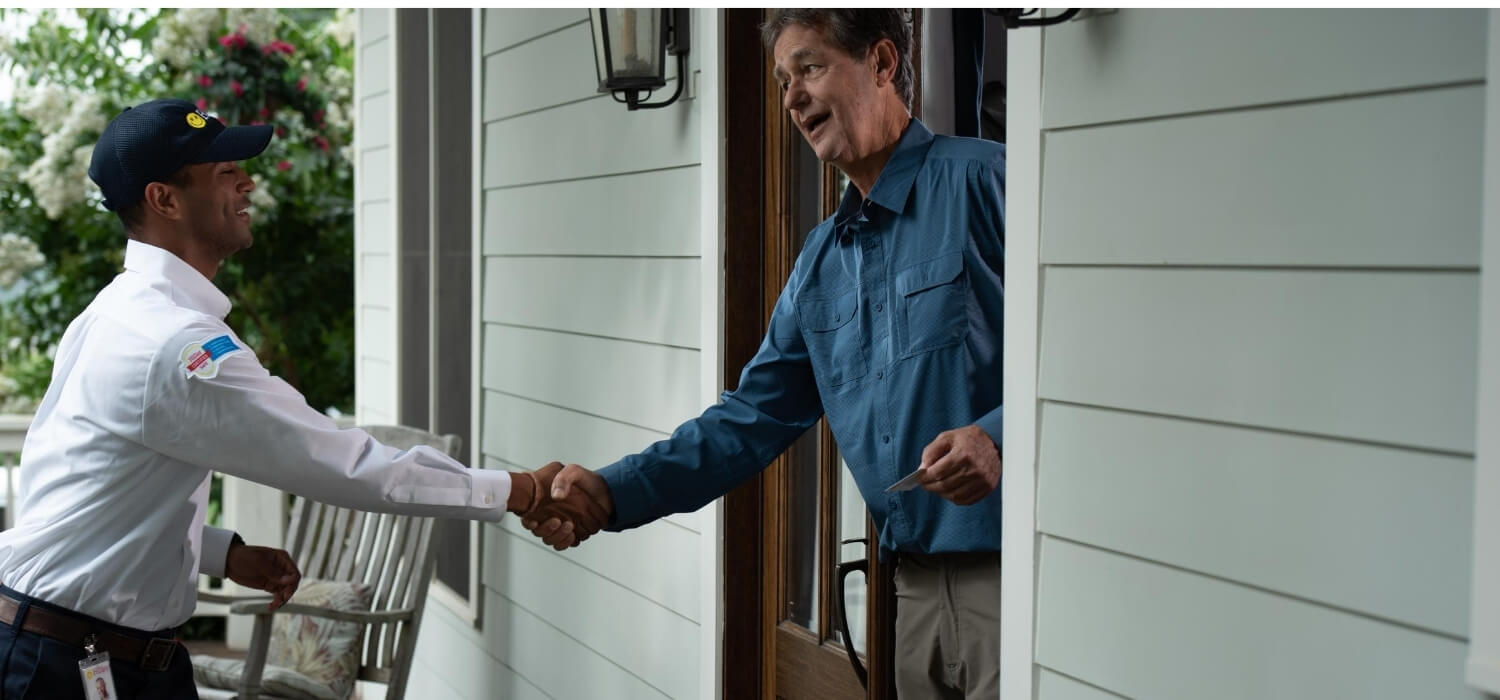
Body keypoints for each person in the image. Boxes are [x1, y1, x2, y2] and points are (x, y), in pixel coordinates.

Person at [0, 98, 603, 699]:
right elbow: (345, 463)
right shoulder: (178, 345)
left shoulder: (114, 312)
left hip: (98, 652)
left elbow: (89, 485)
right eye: (224, 171)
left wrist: (220, 552)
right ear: (165, 199)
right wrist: (516, 490)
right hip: (68, 665)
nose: (248, 181)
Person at [525, 10, 1004, 699]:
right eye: (784, 81)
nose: (792, 97)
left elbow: (1083, 357)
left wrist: (996, 438)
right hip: (908, 597)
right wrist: (612, 490)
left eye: (810, 68)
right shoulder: (818, 266)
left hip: (1011, 583)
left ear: (881, 63)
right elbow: (746, 423)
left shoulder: (986, 182)